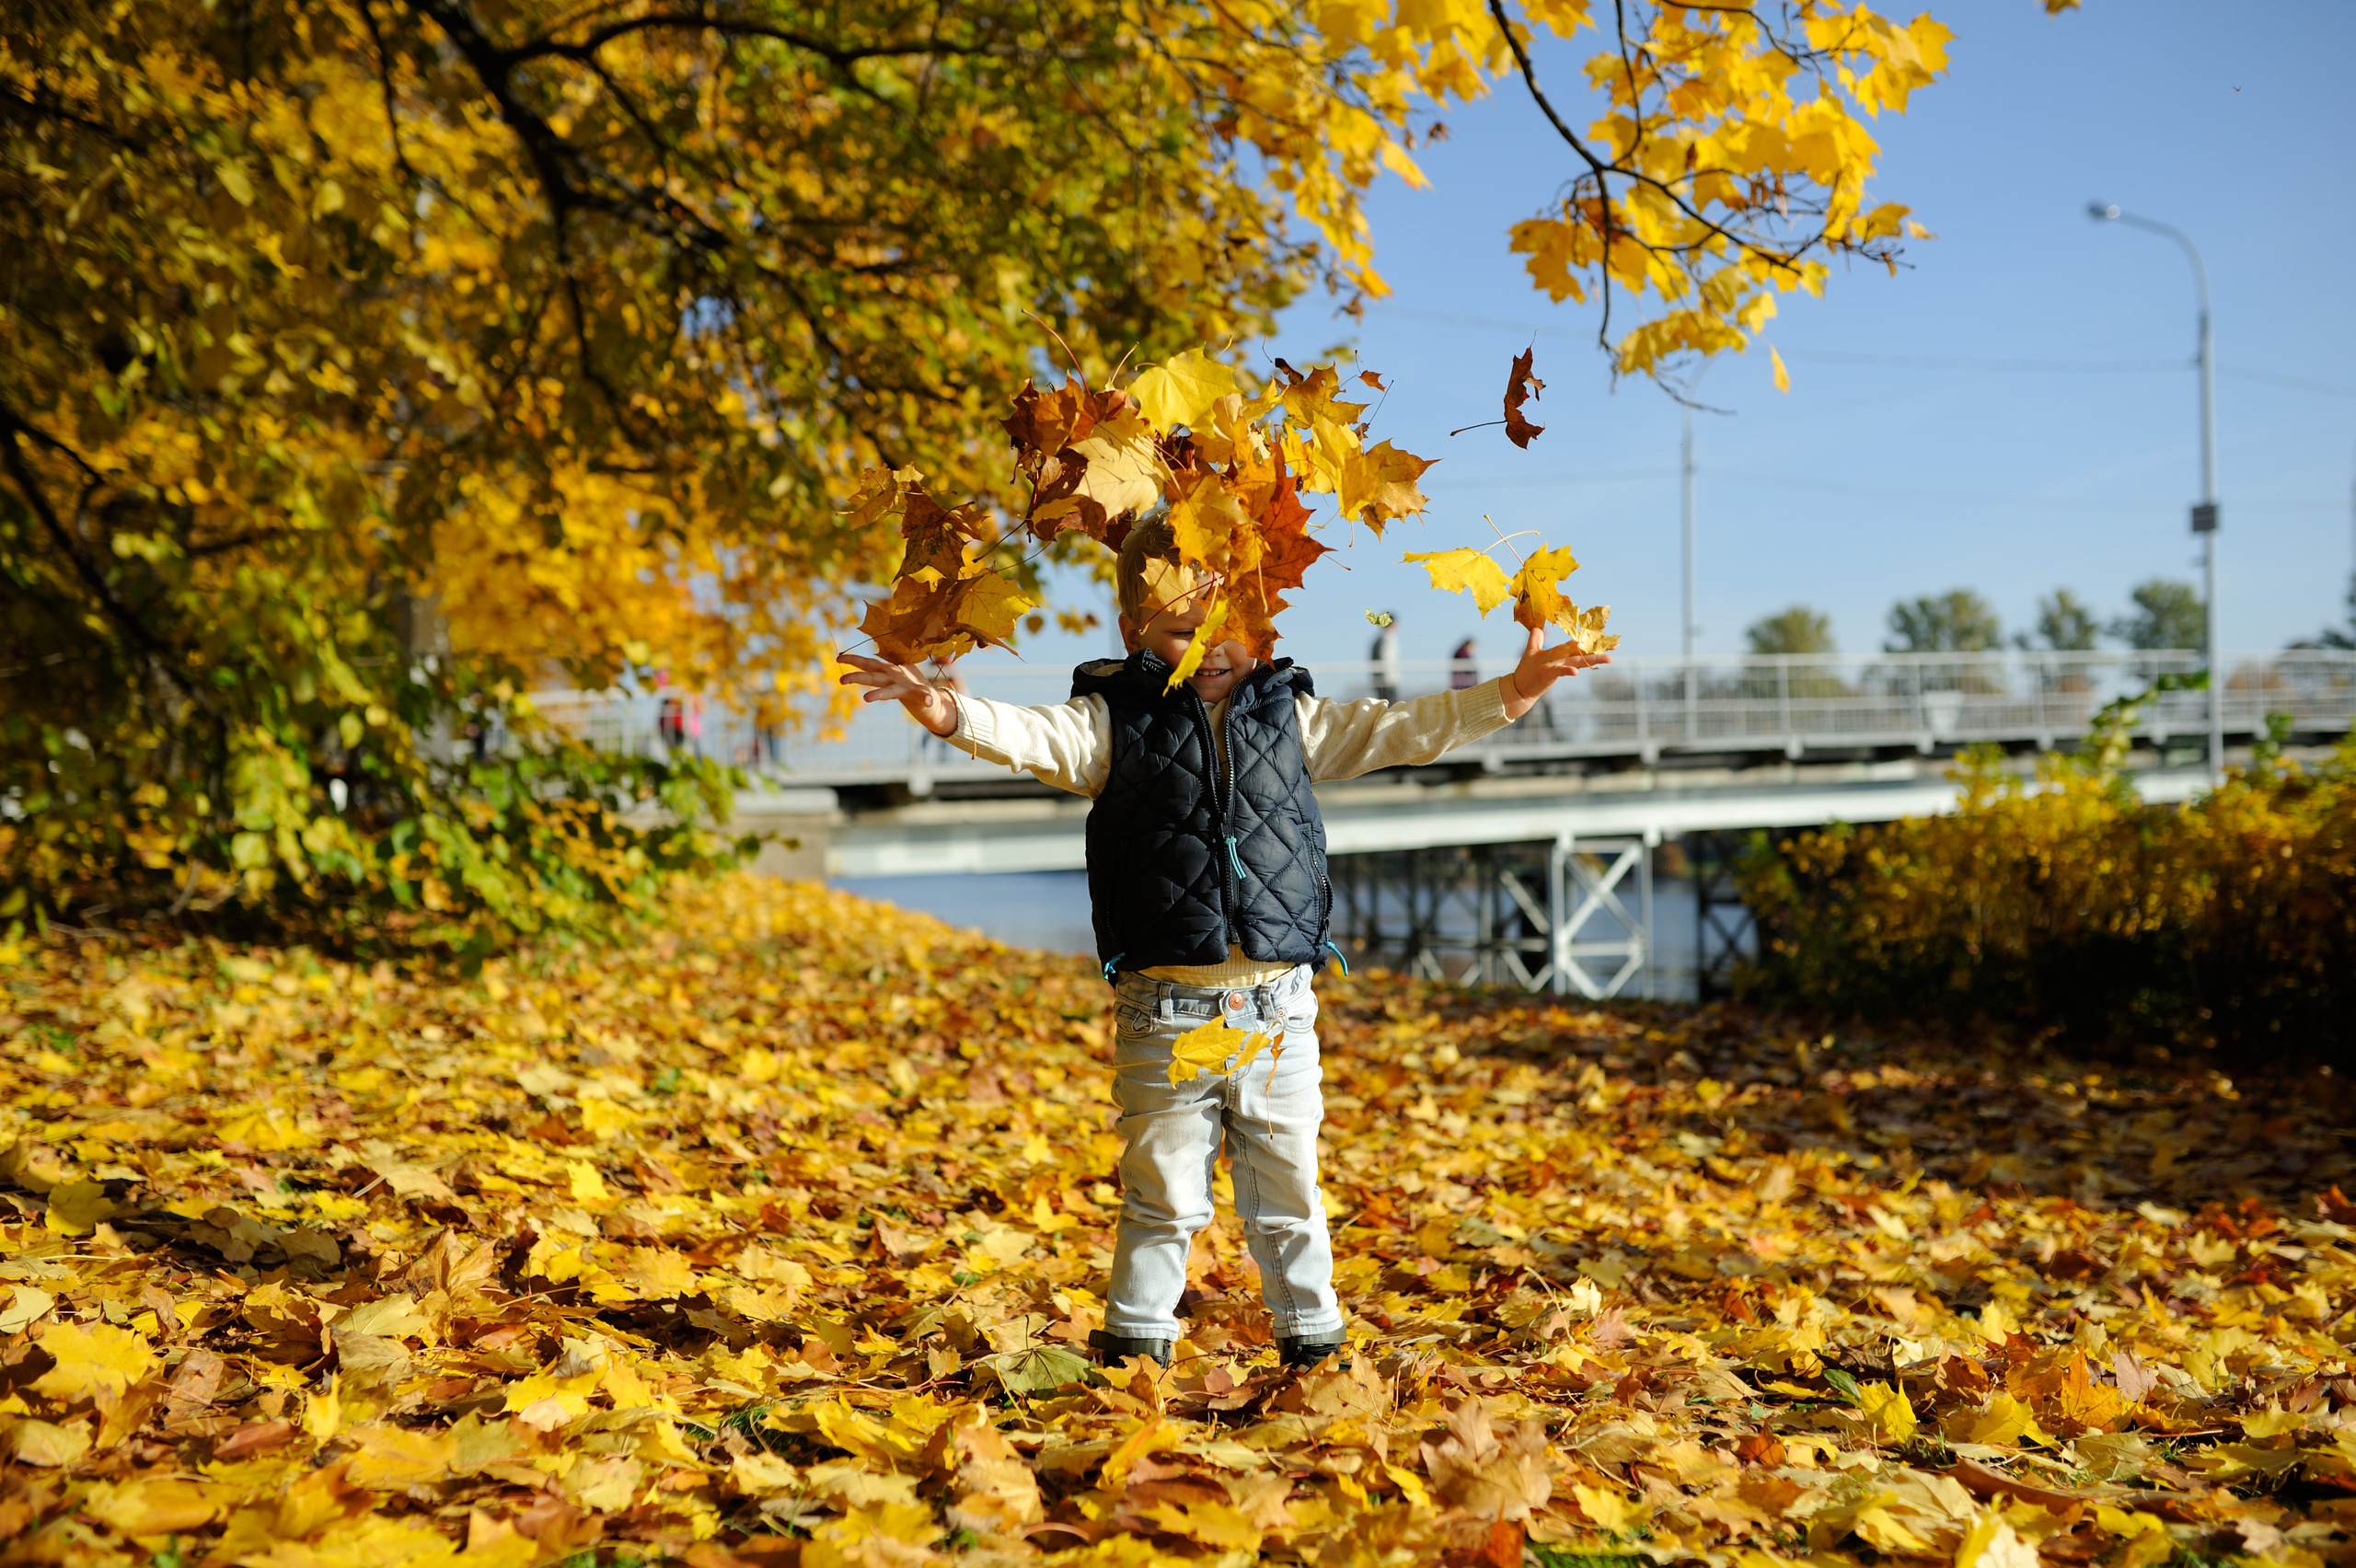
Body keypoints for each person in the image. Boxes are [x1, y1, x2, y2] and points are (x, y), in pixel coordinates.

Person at [836, 521, 1609, 1371]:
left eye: (1226, 626)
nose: (1208, 648)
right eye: (1180, 632)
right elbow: (1031, 736)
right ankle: (1135, 1350)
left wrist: (1509, 694)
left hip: (1280, 1015)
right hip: (1165, 1016)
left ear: (1264, 621)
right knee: (1163, 1197)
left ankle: (1312, 1347)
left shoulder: (1294, 718)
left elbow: (1400, 730)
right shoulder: (1112, 725)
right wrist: (942, 710)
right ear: (1135, 633)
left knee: (1290, 1198)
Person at [1369, 615, 1401, 701]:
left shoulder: (1380, 640)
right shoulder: (1387, 640)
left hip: (1383, 680)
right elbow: (1387, 660)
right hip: (1386, 681)